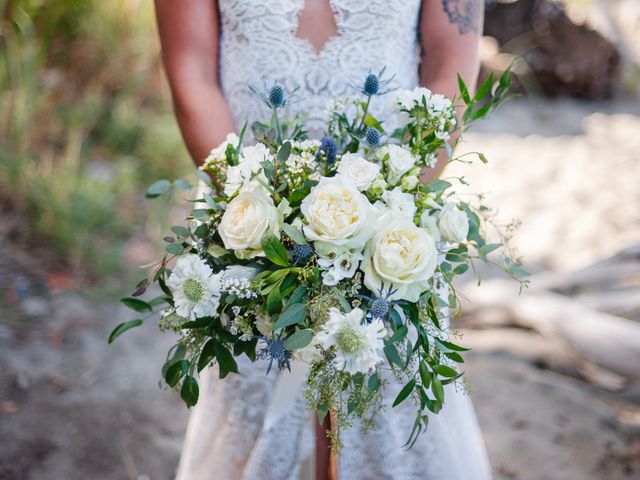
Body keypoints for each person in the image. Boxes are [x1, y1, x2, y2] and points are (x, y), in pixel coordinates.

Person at [154, 1, 492, 478]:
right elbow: (193, 75)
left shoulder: (394, 211)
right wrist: (253, 214)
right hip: (247, 215)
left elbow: (450, 70)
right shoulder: (248, 214)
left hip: (391, 221)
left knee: (389, 393)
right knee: (251, 384)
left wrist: (392, 206)